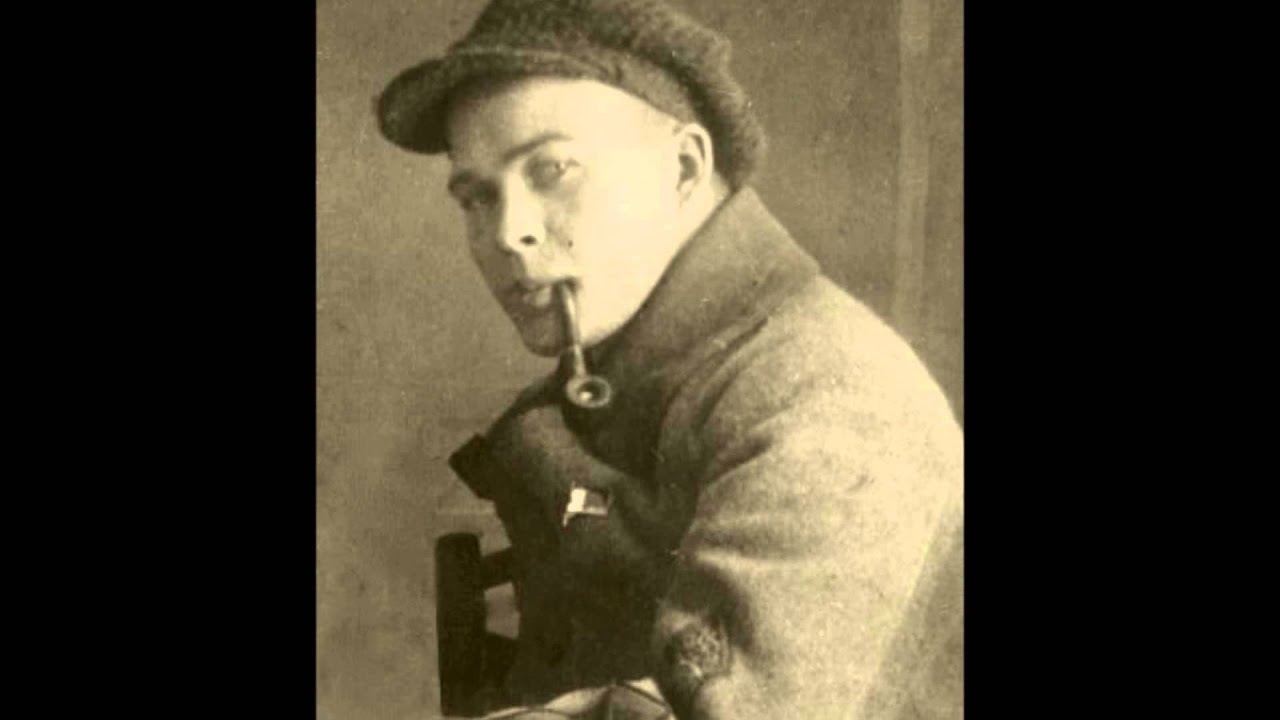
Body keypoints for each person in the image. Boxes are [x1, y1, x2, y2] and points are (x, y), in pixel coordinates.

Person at [376, 1, 963, 718]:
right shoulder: (613, 381)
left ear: (684, 168)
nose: (508, 232)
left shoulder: (828, 395)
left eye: (552, 170)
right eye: (477, 197)